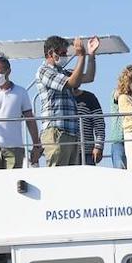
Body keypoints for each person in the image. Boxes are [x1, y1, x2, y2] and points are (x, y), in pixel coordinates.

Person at [33, 35, 99, 166]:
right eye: (62, 53)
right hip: (56, 132)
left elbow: (88, 77)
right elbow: (72, 82)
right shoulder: (44, 71)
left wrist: (90, 55)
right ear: (51, 53)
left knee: (70, 178)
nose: (65, 56)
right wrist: (81, 56)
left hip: (71, 132)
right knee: (58, 175)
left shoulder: (62, 72)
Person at [74, 86, 106, 167]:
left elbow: (99, 124)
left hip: (87, 151)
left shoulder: (89, 97)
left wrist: (99, 146)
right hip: (67, 151)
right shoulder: (62, 98)